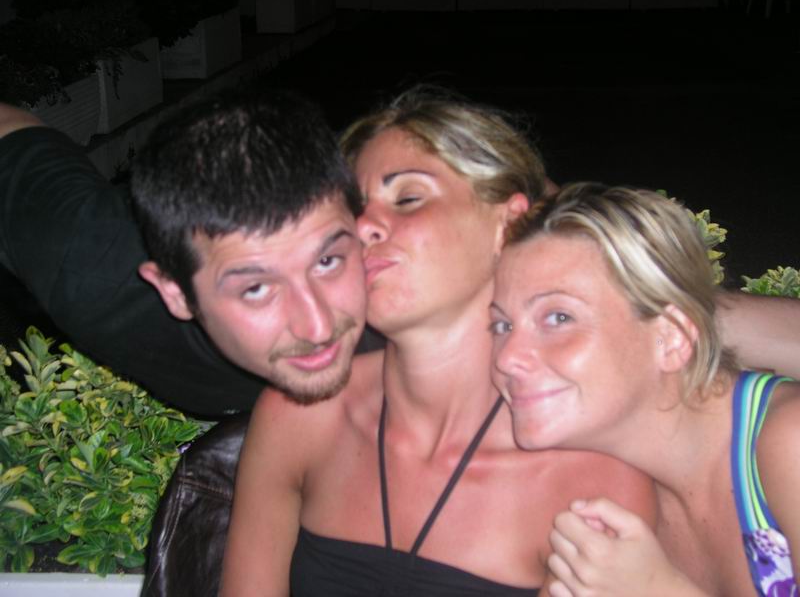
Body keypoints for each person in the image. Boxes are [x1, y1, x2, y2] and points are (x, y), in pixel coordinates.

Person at [221, 88, 658, 596]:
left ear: (508, 223)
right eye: (352, 212)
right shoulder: (301, 416)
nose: (363, 229)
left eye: (408, 199)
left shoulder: (590, 484)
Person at [490, 182, 800, 597]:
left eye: (559, 317)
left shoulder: (787, 441)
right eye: (501, 325)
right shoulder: (608, 494)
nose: (507, 357)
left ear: (670, 337)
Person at [0, 95, 383, 416]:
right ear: (176, 294)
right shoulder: (98, 274)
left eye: (328, 261)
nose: (317, 328)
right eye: (255, 289)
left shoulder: (405, 265)